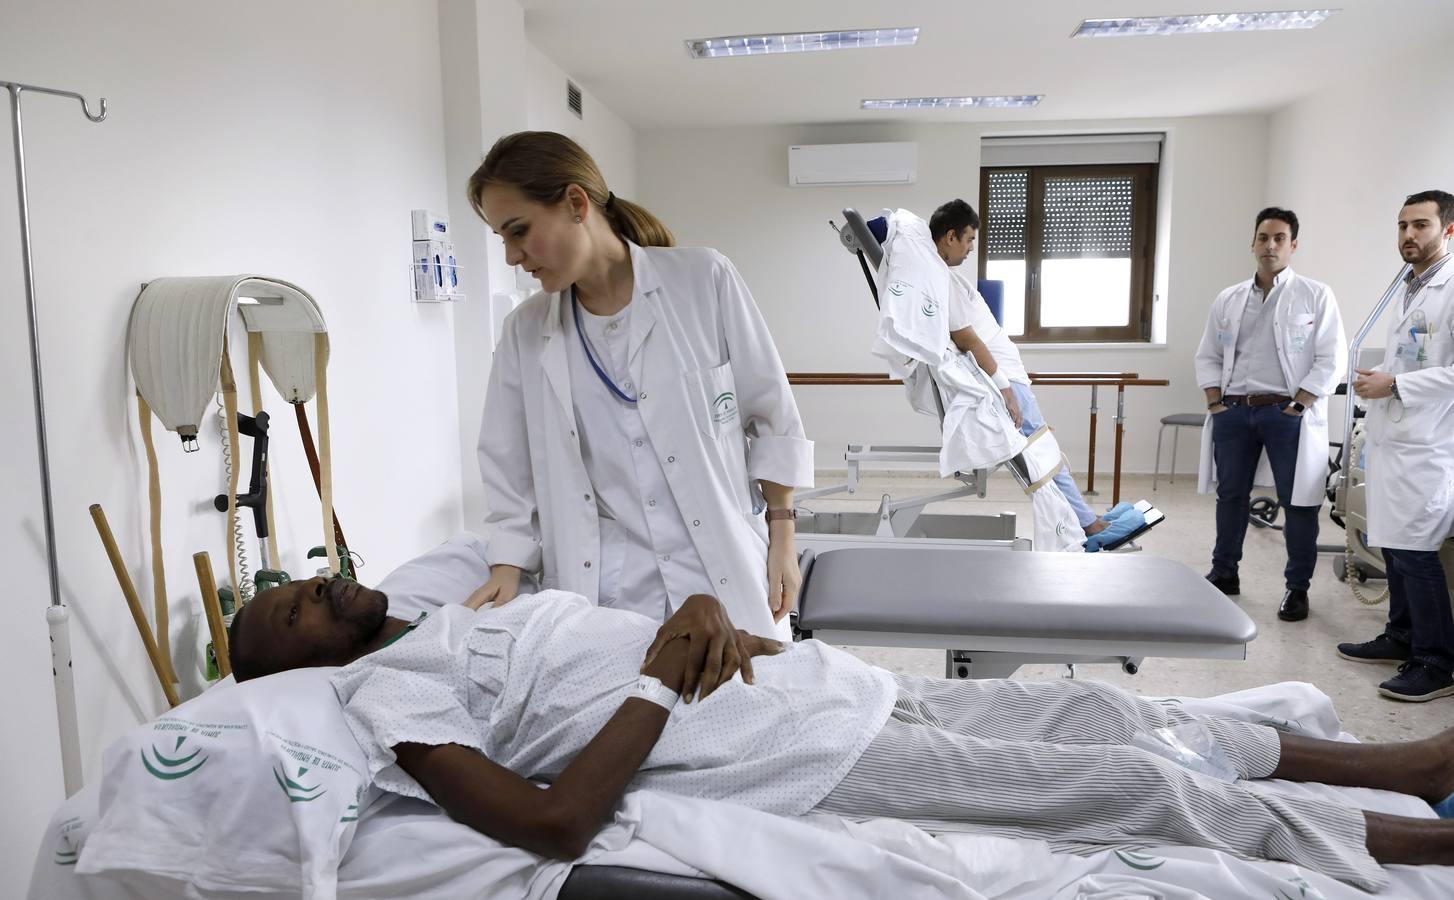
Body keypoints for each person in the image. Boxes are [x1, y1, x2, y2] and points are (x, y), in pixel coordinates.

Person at [227, 575, 1454, 891]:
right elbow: (549, 824)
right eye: (295, 607)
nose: (323, 586)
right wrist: (663, 672)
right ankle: (1420, 851)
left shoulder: (451, 613)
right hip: (796, 758)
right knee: (1127, 788)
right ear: (296, 660)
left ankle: (1399, 765)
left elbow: (592, 659)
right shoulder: (383, 701)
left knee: (1106, 707)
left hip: (814, 685)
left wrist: (706, 624)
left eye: (309, 580)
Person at [464, 132, 812, 639]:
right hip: (607, 591)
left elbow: (772, 415)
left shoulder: (702, 280)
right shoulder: (526, 331)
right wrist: (508, 565)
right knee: (624, 712)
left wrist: (783, 538)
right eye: (503, 240)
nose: (513, 256)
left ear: (576, 203)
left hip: (720, 571)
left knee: (749, 701)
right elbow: (507, 465)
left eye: (519, 231)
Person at [1195, 207, 1346, 622]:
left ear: (1293, 245)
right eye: (1264, 237)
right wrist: (1214, 402)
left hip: (1287, 412)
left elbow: (1332, 358)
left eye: (1280, 238)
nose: (1271, 245)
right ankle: (1225, 572)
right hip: (1235, 411)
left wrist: (1299, 404)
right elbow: (1208, 353)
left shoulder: (1315, 295)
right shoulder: (1229, 298)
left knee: (1297, 502)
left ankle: (1297, 588)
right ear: (1253, 243)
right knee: (1230, 496)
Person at [929, 199, 1110, 536]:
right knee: (1041, 451)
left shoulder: (947, 278)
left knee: (1041, 448)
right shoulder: (942, 283)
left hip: (1009, 374)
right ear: (950, 236)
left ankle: (1082, 518)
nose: (970, 249)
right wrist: (1005, 387)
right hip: (1005, 377)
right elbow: (968, 339)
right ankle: (1086, 522)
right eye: (968, 240)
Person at [1341, 189, 1454, 703]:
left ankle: (1437, 662)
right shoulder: (1408, 287)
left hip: (1428, 445)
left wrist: (1397, 385)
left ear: (1447, 230)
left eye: (1422, 225)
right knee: (1394, 545)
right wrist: (1383, 382)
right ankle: (1401, 636)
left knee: (1416, 549)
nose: (1409, 235)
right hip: (1394, 438)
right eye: (1403, 225)